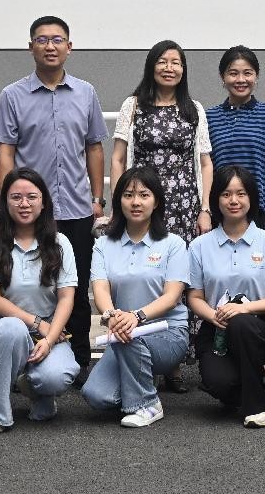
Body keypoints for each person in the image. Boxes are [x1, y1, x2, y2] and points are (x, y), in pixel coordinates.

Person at [0, 16, 108, 387]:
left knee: (76, 285)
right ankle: (23, 352)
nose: (50, 46)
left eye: (58, 40)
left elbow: (94, 147)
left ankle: (78, 359)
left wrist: (97, 198)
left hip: (75, 207)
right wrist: (6, 203)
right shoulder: (12, 95)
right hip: (30, 211)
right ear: (31, 47)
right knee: (28, 283)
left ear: (69, 47)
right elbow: (6, 154)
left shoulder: (86, 92)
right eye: (42, 40)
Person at [110, 39, 213, 392]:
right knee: (145, 275)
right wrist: (118, 203)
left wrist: (204, 208)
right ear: (151, 66)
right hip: (142, 203)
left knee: (177, 280)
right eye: (162, 61)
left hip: (183, 205)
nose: (169, 68)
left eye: (176, 62)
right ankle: (137, 350)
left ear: (183, 69)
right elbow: (118, 158)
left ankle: (172, 361)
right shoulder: (133, 105)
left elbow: (205, 162)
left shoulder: (193, 108)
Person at [81, 166, 189, 427]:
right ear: (119, 200)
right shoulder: (103, 244)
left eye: (144, 195)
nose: (136, 202)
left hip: (167, 333)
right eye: (128, 195)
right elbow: (100, 289)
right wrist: (112, 316)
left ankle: (147, 404)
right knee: (96, 396)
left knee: (131, 337)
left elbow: (172, 297)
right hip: (123, 333)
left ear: (156, 201)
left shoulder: (173, 244)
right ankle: (142, 375)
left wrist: (136, 317)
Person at [0, 167, 79, 433]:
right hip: (2, 327)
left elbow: (66, 298)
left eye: (32, 197)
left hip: (48, 330)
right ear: (4, 203)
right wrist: (35, 322)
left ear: (43, 202)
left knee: (55, 377)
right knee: (13, 329)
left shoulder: (60, 243)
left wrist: (50, 338)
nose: (24, 204)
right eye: (16, 197)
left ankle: (33, 388)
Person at [186, 166, 265, 428]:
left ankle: (257, 407)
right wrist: (215, 316)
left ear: (251, 198)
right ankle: (246, 379)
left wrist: (245, 309)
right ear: (216, 199)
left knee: (242, 323)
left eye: (241, 194)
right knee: (218, 383)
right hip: (216, 331)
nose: (233, 200)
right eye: (226, 194)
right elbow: (195, 297)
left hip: (262, 329)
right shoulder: (199, 246)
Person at [205, 46, 265, 242]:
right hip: (221, 212)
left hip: (264, 211)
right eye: (233, 73)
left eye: (247, 73)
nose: (240, 79)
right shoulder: (208, 118)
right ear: (222, 77)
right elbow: (204, 168)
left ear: (256, 76)